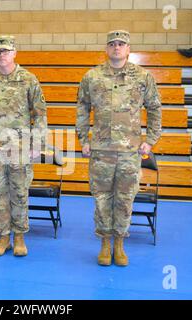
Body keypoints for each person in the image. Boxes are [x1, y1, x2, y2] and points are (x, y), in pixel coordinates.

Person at [76, 30, 161, 266]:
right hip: (101, 151)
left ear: (128, 49)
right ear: (106, 48)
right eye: (112, 44)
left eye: (121, 44)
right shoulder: (92, 77)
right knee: (102, 198)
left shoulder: (142, 77)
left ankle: (120, 244)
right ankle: (105, 243)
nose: (116, 47)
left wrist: (151, 139)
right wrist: (83, 139)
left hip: (129, 152)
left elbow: (154, 108)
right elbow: (82, 108)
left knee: (124, 199)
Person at [0, 35, 47, 257]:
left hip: (20, 149)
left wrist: (37, 143)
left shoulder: (28, 79)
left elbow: (40, 113)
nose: (2, 55)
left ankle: (19, 237)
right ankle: (3, 236)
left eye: (6, 51)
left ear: (15, 53)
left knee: (19, 193)